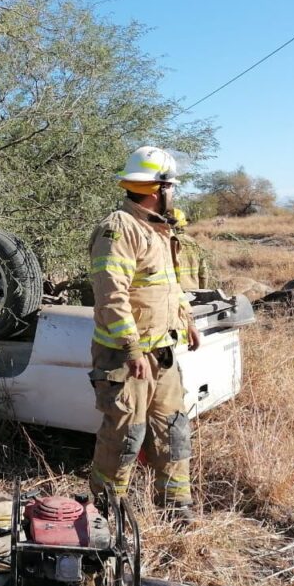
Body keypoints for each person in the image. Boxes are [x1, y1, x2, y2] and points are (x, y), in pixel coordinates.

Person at [88, 146, 201, 519]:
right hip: (126, 359)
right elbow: (110, 294)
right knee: (124, 435)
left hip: (162, 353)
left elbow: (167, 286)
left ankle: (176, 505)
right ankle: (107, 512)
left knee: (173, 429)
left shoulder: (157, 229)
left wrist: (185, 320)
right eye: (171, 187)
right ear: (158, 188)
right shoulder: (118, 229)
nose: (174, 194)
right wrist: (132, 349)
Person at [170, 208, 213, 291]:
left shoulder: (165, 243)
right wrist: (202, 292)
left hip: (174, 293)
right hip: (194, 291)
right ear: (183, 225)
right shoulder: (194, 243)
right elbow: (203, 273)